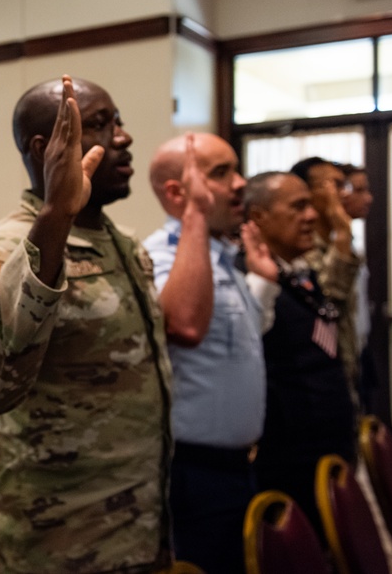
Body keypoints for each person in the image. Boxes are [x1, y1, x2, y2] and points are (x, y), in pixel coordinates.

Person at [0, 76, 173, 573]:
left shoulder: (123, 243)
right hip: (55, 544)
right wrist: (55, 215)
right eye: (99, 124)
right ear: (44, 148)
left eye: (118, 121)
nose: (123, 137)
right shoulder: (7, 247)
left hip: (137, 531)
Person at [144, 133, 278, 574]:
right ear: (177, 192)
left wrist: (265, 281)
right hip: (193, 472)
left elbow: (240, 338)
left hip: (236, 466)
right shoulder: (162, 256)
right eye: (221, 174)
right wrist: (196, 215)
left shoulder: (220, 257)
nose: (241, 184)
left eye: (236, 169)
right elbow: (183, 323)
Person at [244, 172, 356, 538]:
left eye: (310, 204)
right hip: (289, 459)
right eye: (298, 206)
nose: (311, 216)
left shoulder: (300, 272)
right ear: (259, 217)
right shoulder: (250, 281)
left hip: (329, 443)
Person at [289, 157, 361, 410]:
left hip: (344, 372)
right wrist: (343, 229)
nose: (343, 194)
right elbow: (329, 299)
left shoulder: (331, 245)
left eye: (344, 186)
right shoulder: (298, 249)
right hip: (314, 388)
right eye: (334, 185)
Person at [340, 164, 376, 409]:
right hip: (343, 356)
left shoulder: (351, 241)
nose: (368, 198)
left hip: (360, 346)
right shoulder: (333, 249)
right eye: (359, 190)